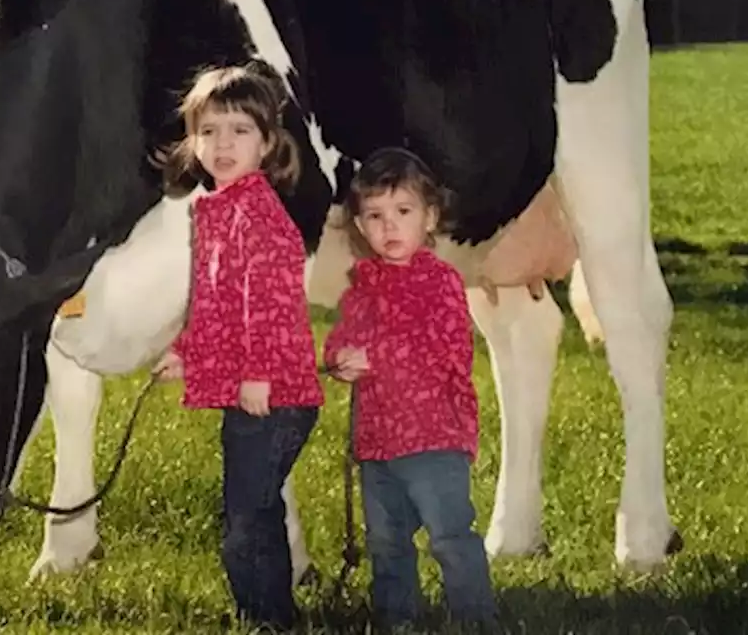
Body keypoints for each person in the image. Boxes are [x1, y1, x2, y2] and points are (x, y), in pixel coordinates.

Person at [152, 63, 324, 632]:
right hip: (255, 394)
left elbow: (268, 303)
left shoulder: (260, 216)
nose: (223, 144)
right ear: (192, 141)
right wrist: (186, 352)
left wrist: (258, 375)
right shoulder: (217, 211)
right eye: (209, 131)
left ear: (268, 143)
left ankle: (268, 619)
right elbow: (212, 300)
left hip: (274, 394)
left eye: (239, 131)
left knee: (245, 521)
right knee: (256, 508)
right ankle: (270, 613)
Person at [324, 147, 500, 632]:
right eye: (375, 216)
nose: (389, 227)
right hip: (378, 442)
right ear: (360, 226)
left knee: (449, 535)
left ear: (430, 218)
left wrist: (375, 358)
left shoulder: (440, 283)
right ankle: (396, 617)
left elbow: (442, 351)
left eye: (403, 212)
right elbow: (343, 338)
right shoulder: (363, 285)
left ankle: (474, 617)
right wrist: (338, 359)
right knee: (386, 540)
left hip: (434, 438)